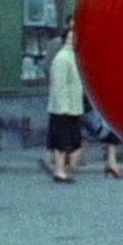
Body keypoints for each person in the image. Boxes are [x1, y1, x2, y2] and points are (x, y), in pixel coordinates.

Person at [46, 24, 84, 183]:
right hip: (63, 108)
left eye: (73, 38)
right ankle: (59, 170)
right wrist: (63, 108)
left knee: (71, 142)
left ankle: (62, 169)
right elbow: (58, 86)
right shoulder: (62, 58)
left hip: (72, 106)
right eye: (68, 38)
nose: (71, 41)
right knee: (61, 142)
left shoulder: (74, 56)